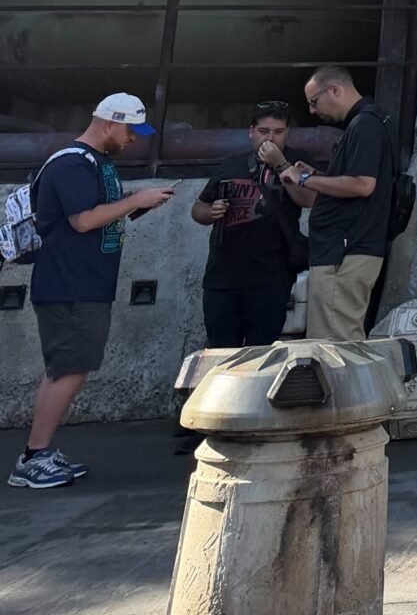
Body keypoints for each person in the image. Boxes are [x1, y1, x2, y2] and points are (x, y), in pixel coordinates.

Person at [10, 93, 177, 490]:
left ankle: (39, 453)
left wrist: (136, 205)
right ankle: (33, 457)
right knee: (67, 369)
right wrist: (137, 199)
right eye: (130, 131)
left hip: (85, 283)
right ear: (108, 124)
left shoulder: (97, 163)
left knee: (69, 368)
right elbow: (83, 220)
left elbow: (95, 214)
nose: (133, 139)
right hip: (69, 285)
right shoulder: (72, 163)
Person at [284, 66, 395, 342]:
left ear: (334, 90)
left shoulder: (365, 125)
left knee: (334, 345)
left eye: (314, 102)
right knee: (336, 341)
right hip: (344, 249)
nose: (312, 111)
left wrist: (304, 179)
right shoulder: (368, 122)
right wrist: (320, 175)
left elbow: (362, 184)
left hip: (345, 252)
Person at [191, 101, 306, 349]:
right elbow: (198, 207)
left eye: (278, 132)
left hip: (271, 276)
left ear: (287, 132)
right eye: (264, 131)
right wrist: (210, 212)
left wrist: (281, 164)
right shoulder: (231, 164)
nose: (271, 138)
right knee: (221, 352)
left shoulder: (298, 162)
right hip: (223, 276)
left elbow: (308, 199)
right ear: (251, 131)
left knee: (261, 352)